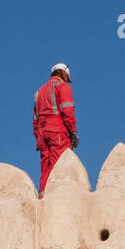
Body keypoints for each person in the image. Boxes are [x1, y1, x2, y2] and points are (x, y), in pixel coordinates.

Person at [33, 62, 78, 194]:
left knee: (46, 169)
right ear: (63, 73)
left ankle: (43, 198)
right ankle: (60, 197)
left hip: (42, 135)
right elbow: (67, 110)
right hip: (58, 132)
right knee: (60, 166)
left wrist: (39, 134)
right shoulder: (62, 87)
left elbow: (35, 121)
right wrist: (73, 131)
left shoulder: (39, 92)